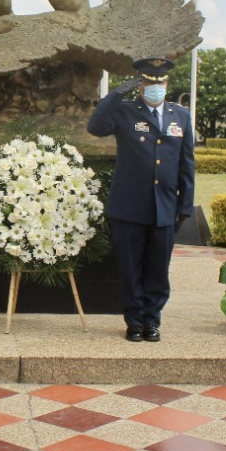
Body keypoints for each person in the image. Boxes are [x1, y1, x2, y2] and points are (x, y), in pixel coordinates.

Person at [86, 57, 195, 343]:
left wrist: (185, 205)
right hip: (129, 206)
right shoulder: (124, 112)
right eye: (148, 83)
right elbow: (95, 127)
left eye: (159, 83)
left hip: (164, 207)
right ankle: (134, 321)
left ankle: (152, 320)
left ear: (167, 84)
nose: (154, 88)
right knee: (130, 267)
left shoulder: (180, 116)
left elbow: (187, 165)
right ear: (140, 84)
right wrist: (116, 93)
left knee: (158, 269)